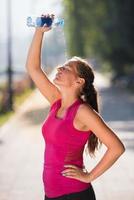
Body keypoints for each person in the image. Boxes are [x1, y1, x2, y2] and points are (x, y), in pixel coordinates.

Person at [26, 14, 125, 200]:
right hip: (51, 194)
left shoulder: (83, 112)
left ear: (79, 81)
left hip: (74, 195)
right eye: (61, 66)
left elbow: (117, 147)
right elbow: (33, 68)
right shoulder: (56, 102)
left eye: (66, 68)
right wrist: (39, 32)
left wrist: (89, 176)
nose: (59, 69)